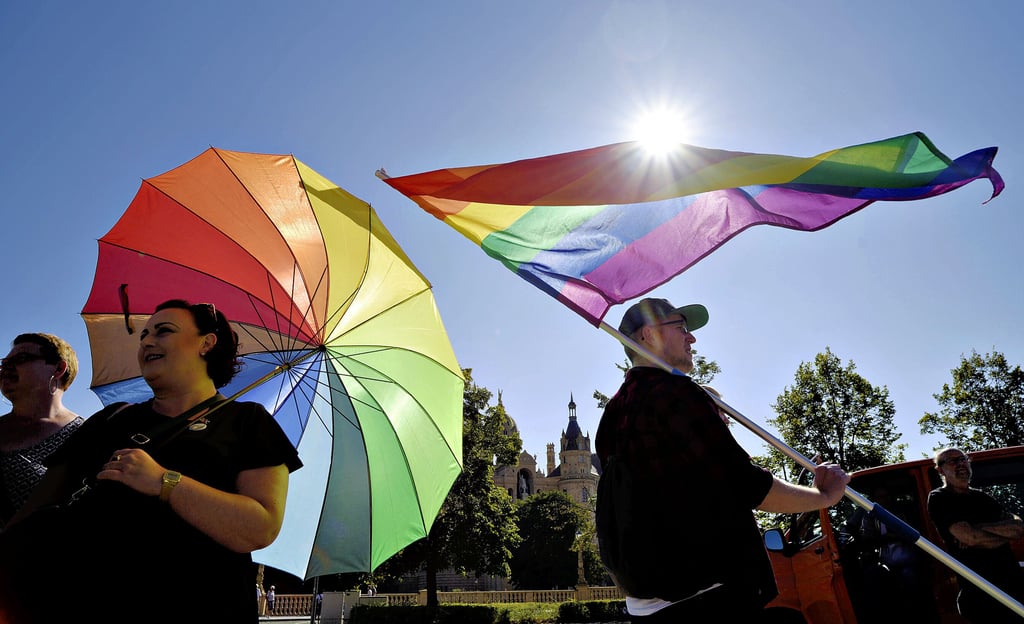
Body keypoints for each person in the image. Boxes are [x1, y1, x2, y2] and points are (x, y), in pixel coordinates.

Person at [0, 299, 303, 623]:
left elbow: (260, 526)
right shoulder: (112, 419)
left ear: (206, 343)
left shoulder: (249, 422)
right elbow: (35, 512)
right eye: (144, 335)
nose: (147, 341)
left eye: (163, 331)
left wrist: (164, 481)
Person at [595, 297, 850, 623]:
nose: (692, 338)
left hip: (646, 603)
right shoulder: (676, 394)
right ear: (649, 335)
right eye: (682, 328)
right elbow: (746, 485)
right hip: (707, 596)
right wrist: (823, 497)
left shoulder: (614, 413)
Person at [927, 447, 1024, 623]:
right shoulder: (939, 498)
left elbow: (1018, 528)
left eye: (963, 459)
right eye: (953, 461)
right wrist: (1001, 534)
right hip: (982, 592)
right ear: (940, 470)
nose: (961, 464)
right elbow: (970, 538)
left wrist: (977, 529)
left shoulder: (982, 497)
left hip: (1014, 586)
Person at [0, 333, 83, 527]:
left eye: (21, 359)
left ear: (59, 368)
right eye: (4, 362)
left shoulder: (88, 435)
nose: (5, 367)